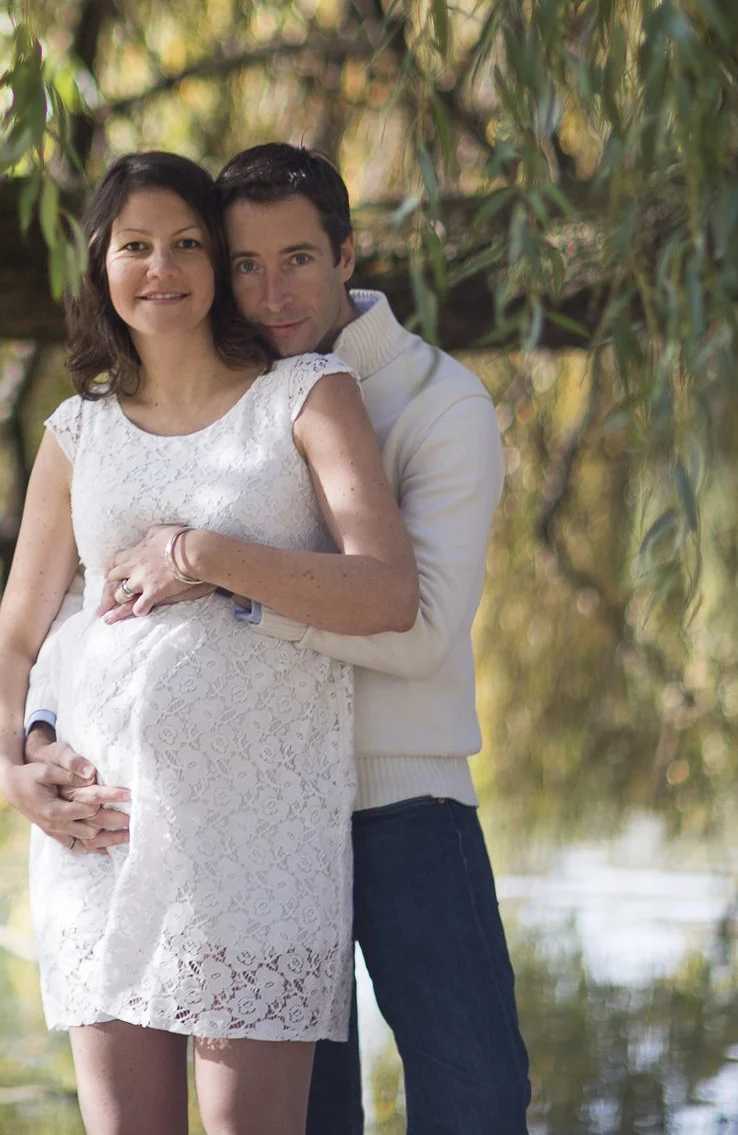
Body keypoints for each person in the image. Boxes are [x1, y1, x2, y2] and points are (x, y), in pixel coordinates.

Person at [30, 143, 531, 1135]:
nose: (270, 290)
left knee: (473, 1097)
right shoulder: (200, 395)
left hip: (399, 800)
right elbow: (80, 603)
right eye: (244, 261)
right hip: (248, 817)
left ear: (347, 256)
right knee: (315, 1120)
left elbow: (418, 624)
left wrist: (220, 582)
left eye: (297, 258)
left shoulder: (436, 405)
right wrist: (41, 731)